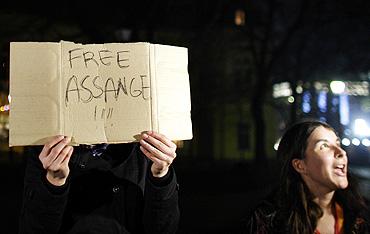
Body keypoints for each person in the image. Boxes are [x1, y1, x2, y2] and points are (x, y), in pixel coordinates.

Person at [19, 131, 180, 234]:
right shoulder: (48, 150)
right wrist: (54, 181)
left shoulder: (146, 147)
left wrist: (161, 176)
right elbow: (33, 228)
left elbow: (164, 228)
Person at [239, 119, 370, 233]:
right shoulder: (268, 221)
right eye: (324, 146)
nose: (341, 152)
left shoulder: (362, 214)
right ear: (300, 165)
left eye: (337, 144)